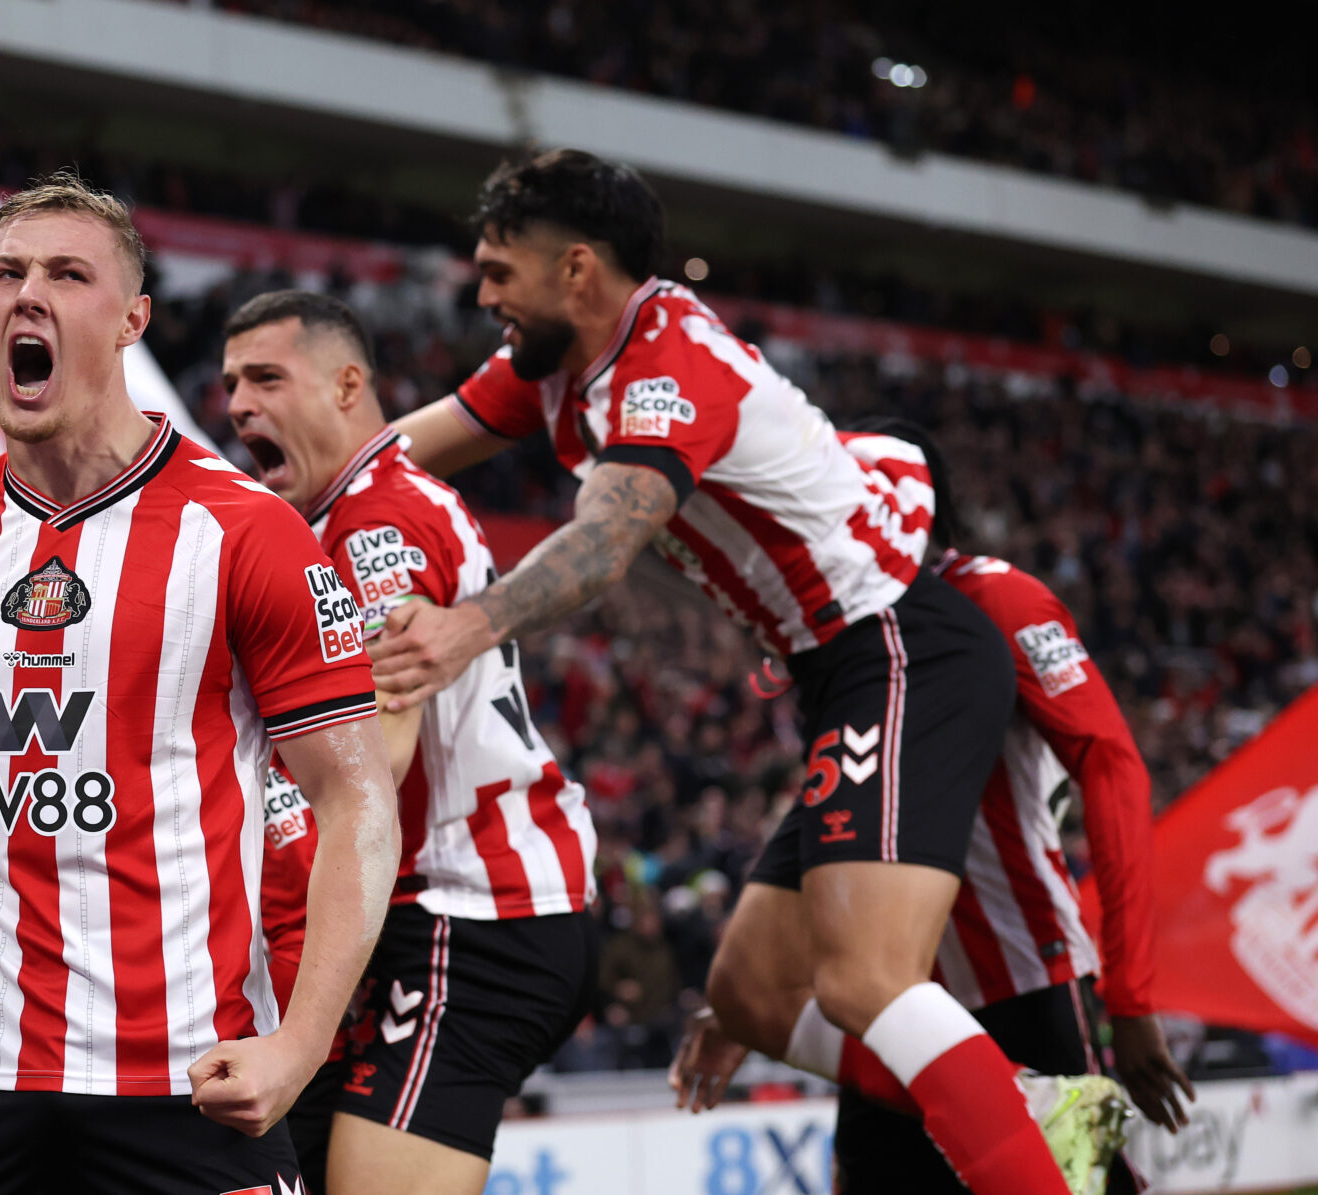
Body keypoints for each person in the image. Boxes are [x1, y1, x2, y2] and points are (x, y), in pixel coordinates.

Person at [371, 147, 1125, 1194]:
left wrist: (467, 624)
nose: (483, 290)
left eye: (500, 268)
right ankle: (1023, 1101)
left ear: (578, 269)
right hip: (839, 673)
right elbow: (390, 459)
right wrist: (239, 502)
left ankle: (1028, 1156)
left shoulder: (668, 363)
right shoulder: (550, 363)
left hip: (896, 643)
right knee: (755, 992)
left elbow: (603, 542)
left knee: (866, 978)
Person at [0, 174, 401, 1195]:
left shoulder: (243, 533)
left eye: (68, 274)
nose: (29, 295)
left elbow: (358, 798)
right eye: (5, 272)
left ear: (131, 320)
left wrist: (301, 1042)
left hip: (186, 1074)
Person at [670, 421, 1193, 1194]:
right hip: (890, 1003)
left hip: (1020, 980)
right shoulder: (837, 634)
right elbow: (842, 816)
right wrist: (763, 1001)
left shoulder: (995, 598)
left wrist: (1133, 993)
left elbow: (1113, 766)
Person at [223, 290, 598, 1195]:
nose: (238, 404)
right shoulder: (336, 517)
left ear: (349, 384)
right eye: (232, 383)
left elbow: (372, 767)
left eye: (267, 377)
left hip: (473, 914)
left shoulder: (375, 522)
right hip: (433, 913)